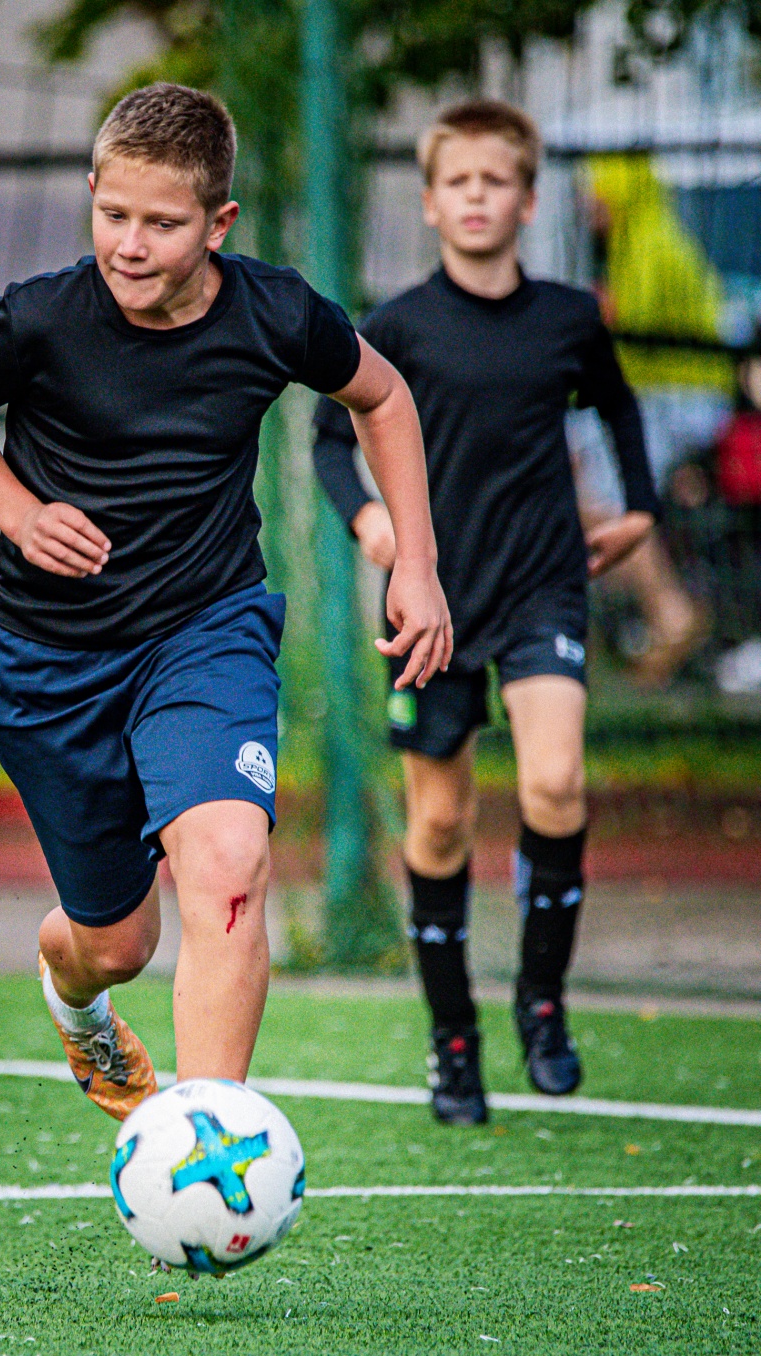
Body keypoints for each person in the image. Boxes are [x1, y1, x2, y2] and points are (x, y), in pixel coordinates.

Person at [0, 83, 448, 1125]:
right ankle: (76, 1001)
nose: (131, 244)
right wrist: (20, 512)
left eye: (162, 223)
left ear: (218, 223)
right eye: (113, 214)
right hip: (49, 661)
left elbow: (381, 396)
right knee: (118, 944)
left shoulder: (275, 313)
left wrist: (415, 564)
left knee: (230, 863)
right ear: (91, 196)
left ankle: (206, 1147)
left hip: (206, 633)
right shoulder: (39, 317)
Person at [313, 99, 659, 1125]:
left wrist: (639, 508)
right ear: (429, 203)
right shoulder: (396, 326)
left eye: (494, 180)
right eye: (457, 181)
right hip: (434, 596)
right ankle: (453, 1039)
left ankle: (542, 1005)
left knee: (554, 781)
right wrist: (370, 521)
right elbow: (332, 439)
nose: (476, 197)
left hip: (544, 580)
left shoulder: (569, 318)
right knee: (440, 820)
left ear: (527, 200)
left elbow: (618, 405)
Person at [574, 154, 736, 687]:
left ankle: (669, 611)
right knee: (580, 471)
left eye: (597, 187)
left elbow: (623, 328)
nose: (588, 201)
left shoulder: (652, 242)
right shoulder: (632, 243)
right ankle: (637, 618)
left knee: (603, 495)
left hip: (679, 396)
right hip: (658, 393)